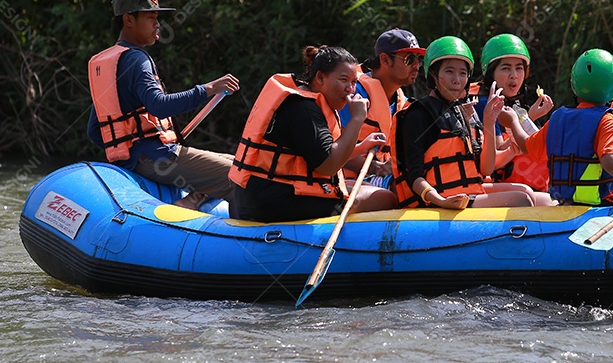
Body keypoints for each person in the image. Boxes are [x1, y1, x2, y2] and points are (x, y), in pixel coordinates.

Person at [87, 0, 239, 210]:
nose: (157, 23)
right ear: (129, 20)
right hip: (155, 159)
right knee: (240, 176)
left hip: (143, 158)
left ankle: (190, 201)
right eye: (150, 17)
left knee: (236, 162)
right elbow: (158, 105)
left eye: (157, 17)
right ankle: (248, 238)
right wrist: (208, 88)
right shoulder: (136, 60)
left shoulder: (111, 62)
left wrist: (126, 153)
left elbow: (93, 129)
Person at [229, 46, 397, 222]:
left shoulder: (307, 100)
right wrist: (357, 119)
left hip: (265, 194)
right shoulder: (304, 108)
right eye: (344, 80)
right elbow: (328, 166)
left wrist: (361, 147)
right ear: (320, 77)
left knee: (362, 186)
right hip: (271, 202)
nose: (350, 89)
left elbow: (315, 153)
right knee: (384, 198)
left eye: (354, 82)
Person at [505, 49, 613, 205]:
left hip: (566, 202)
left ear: (574, 85)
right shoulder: (607, 120)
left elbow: (526, 145)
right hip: (606, 200)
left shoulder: (558, 118)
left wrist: (513, 121)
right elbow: (611, 163)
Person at [391, 36, 534, 210]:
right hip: (437, 201)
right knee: (522, 200)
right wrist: (440, 201)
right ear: (433, 75)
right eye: (449, 71)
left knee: (526, 193)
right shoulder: (418, 115)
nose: (457, 80)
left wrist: (489, 120)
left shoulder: (465, 111)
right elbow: (415, 176)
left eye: (463, 73)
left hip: (468, 194)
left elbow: (486, 169)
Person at [338, 28, 426, 189]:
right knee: (406, 187)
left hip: (377, 179)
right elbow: (333, 148)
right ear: (385, 60)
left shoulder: (404, 104)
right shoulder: (353, 93)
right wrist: (376, 168)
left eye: (418, 59)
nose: (416, 66)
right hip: (345, 181)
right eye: (409, 59)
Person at [473, 33, 554, 203]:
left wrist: (530, 116)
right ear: (491, 73)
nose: (514, 75)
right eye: (505, 68)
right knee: (542, 200)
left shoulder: (515, 105)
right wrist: (519, 122)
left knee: (551, 200)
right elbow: (495, 156)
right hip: (489, 183)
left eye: (519, 68)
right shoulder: (483, 104)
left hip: (512, 182)